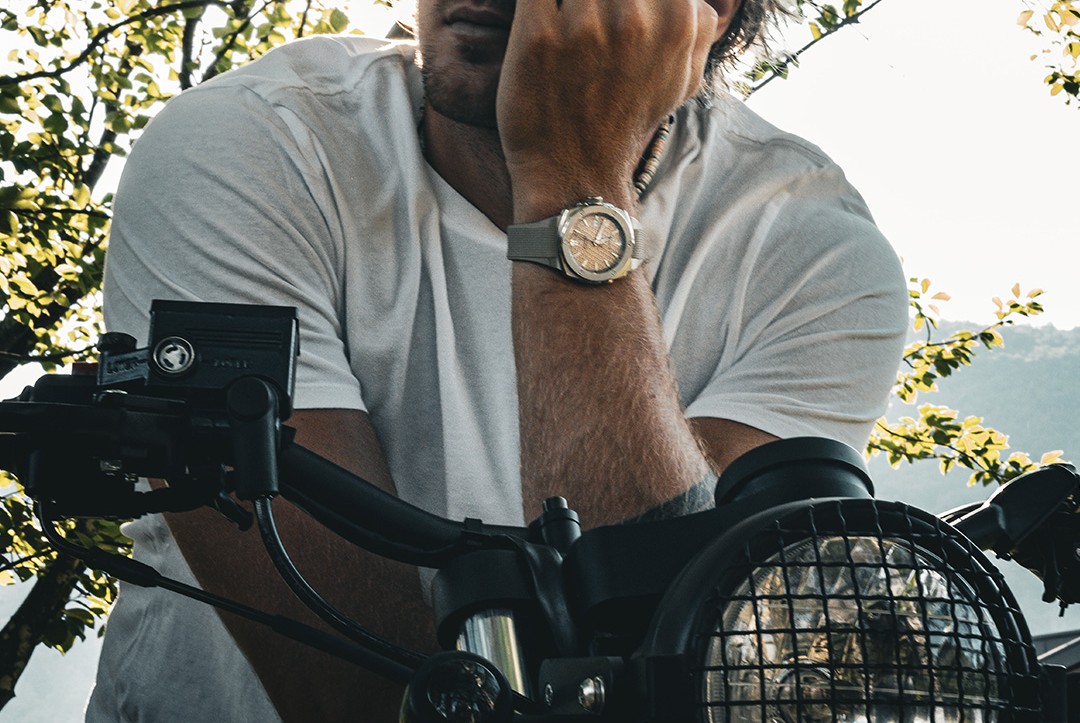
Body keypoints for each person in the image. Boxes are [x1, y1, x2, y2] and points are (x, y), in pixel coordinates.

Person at [91, 0, 909, 720]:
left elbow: (685, 666)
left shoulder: (814, 251)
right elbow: (359, 694)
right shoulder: (246, 143)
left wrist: (572, 182)